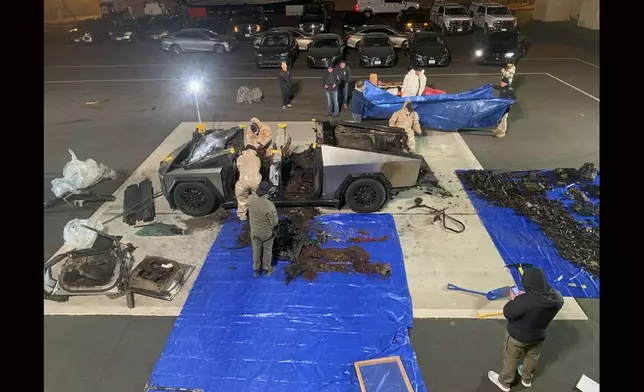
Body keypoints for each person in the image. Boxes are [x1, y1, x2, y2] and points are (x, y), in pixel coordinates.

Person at [488, 267, 564, 391]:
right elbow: (537, 303)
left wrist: (515, 299)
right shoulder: (557, 297)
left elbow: (508, 312)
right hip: (539, 335)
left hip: (518, 336)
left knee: (511, 358)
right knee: (532, 356)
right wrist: (528, 296)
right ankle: (526, 378)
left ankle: (504, 382)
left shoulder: (524, 302)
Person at [247, 181, 279, 277]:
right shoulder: (269, 205)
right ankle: (267, 269)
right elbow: (275, 222)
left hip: (254, 232)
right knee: (267, 251)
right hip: (266, 234)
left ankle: (256, 269)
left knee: (256, 250)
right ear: (267, 192)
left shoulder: (250, 199)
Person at [234, 146, 262, 221]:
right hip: (255, 181)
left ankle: (242, 215)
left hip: (243, 181)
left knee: (242, 198)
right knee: (256, 198)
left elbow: (238, 169)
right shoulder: (257, 159)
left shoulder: (240, 158)